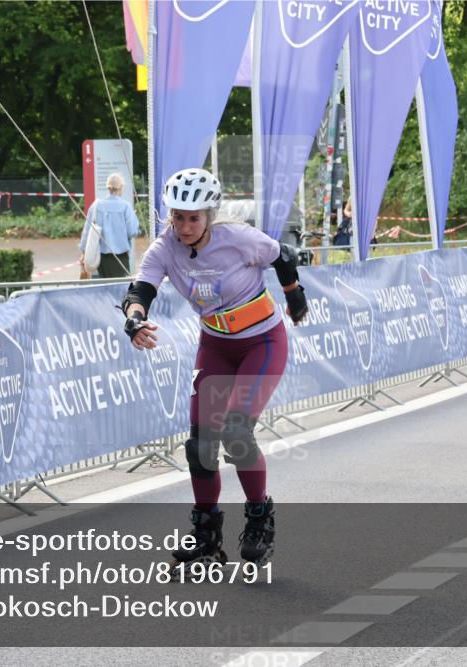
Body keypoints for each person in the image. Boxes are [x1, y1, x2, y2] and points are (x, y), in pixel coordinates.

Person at [120, 168, 308, 568]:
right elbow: (140, 290)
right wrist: (135, 320)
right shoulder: (165, 248)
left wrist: (294, 298)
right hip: (217, 347)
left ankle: (259, 518)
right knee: (200, 446)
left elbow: (284, 257)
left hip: (262, 343)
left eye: (194, 217)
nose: (185, 226)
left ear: (209, 214)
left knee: (237, 432)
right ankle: (206, 535)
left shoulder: (237, 239)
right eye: (177, 217)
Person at [79, 172, 140, 278]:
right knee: (121, 290)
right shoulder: (126, 207)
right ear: (121, 187)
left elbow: (87, 232)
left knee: (104, 289)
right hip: (121, 256)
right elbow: (132, 231)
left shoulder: (96, 205)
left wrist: (84, 253)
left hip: (100, 257)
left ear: (108, 187)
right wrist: (138, 231)